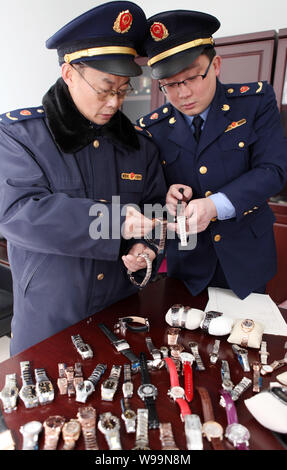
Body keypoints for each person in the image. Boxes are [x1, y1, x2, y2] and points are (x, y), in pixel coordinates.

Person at [0, 1, 166, 355]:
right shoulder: (19, 136)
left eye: (123, 90)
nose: (114, 102)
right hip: (49, 319)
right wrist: (116, 223)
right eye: (105, 88)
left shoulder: (140, 146)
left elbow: (156, 212)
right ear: (70, 73)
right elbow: (18, 214)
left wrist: (145, 249)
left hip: (118, 313)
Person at [137, 9, 287, 300]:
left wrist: (214, 206)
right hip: (188, 266)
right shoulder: (152, 127)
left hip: (246, 262)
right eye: (169, 84)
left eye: (192, 77)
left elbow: (273, 170)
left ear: (216, 65)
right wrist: (166, 196)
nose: (183, 93)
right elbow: (147, 194)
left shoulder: (254, 103)